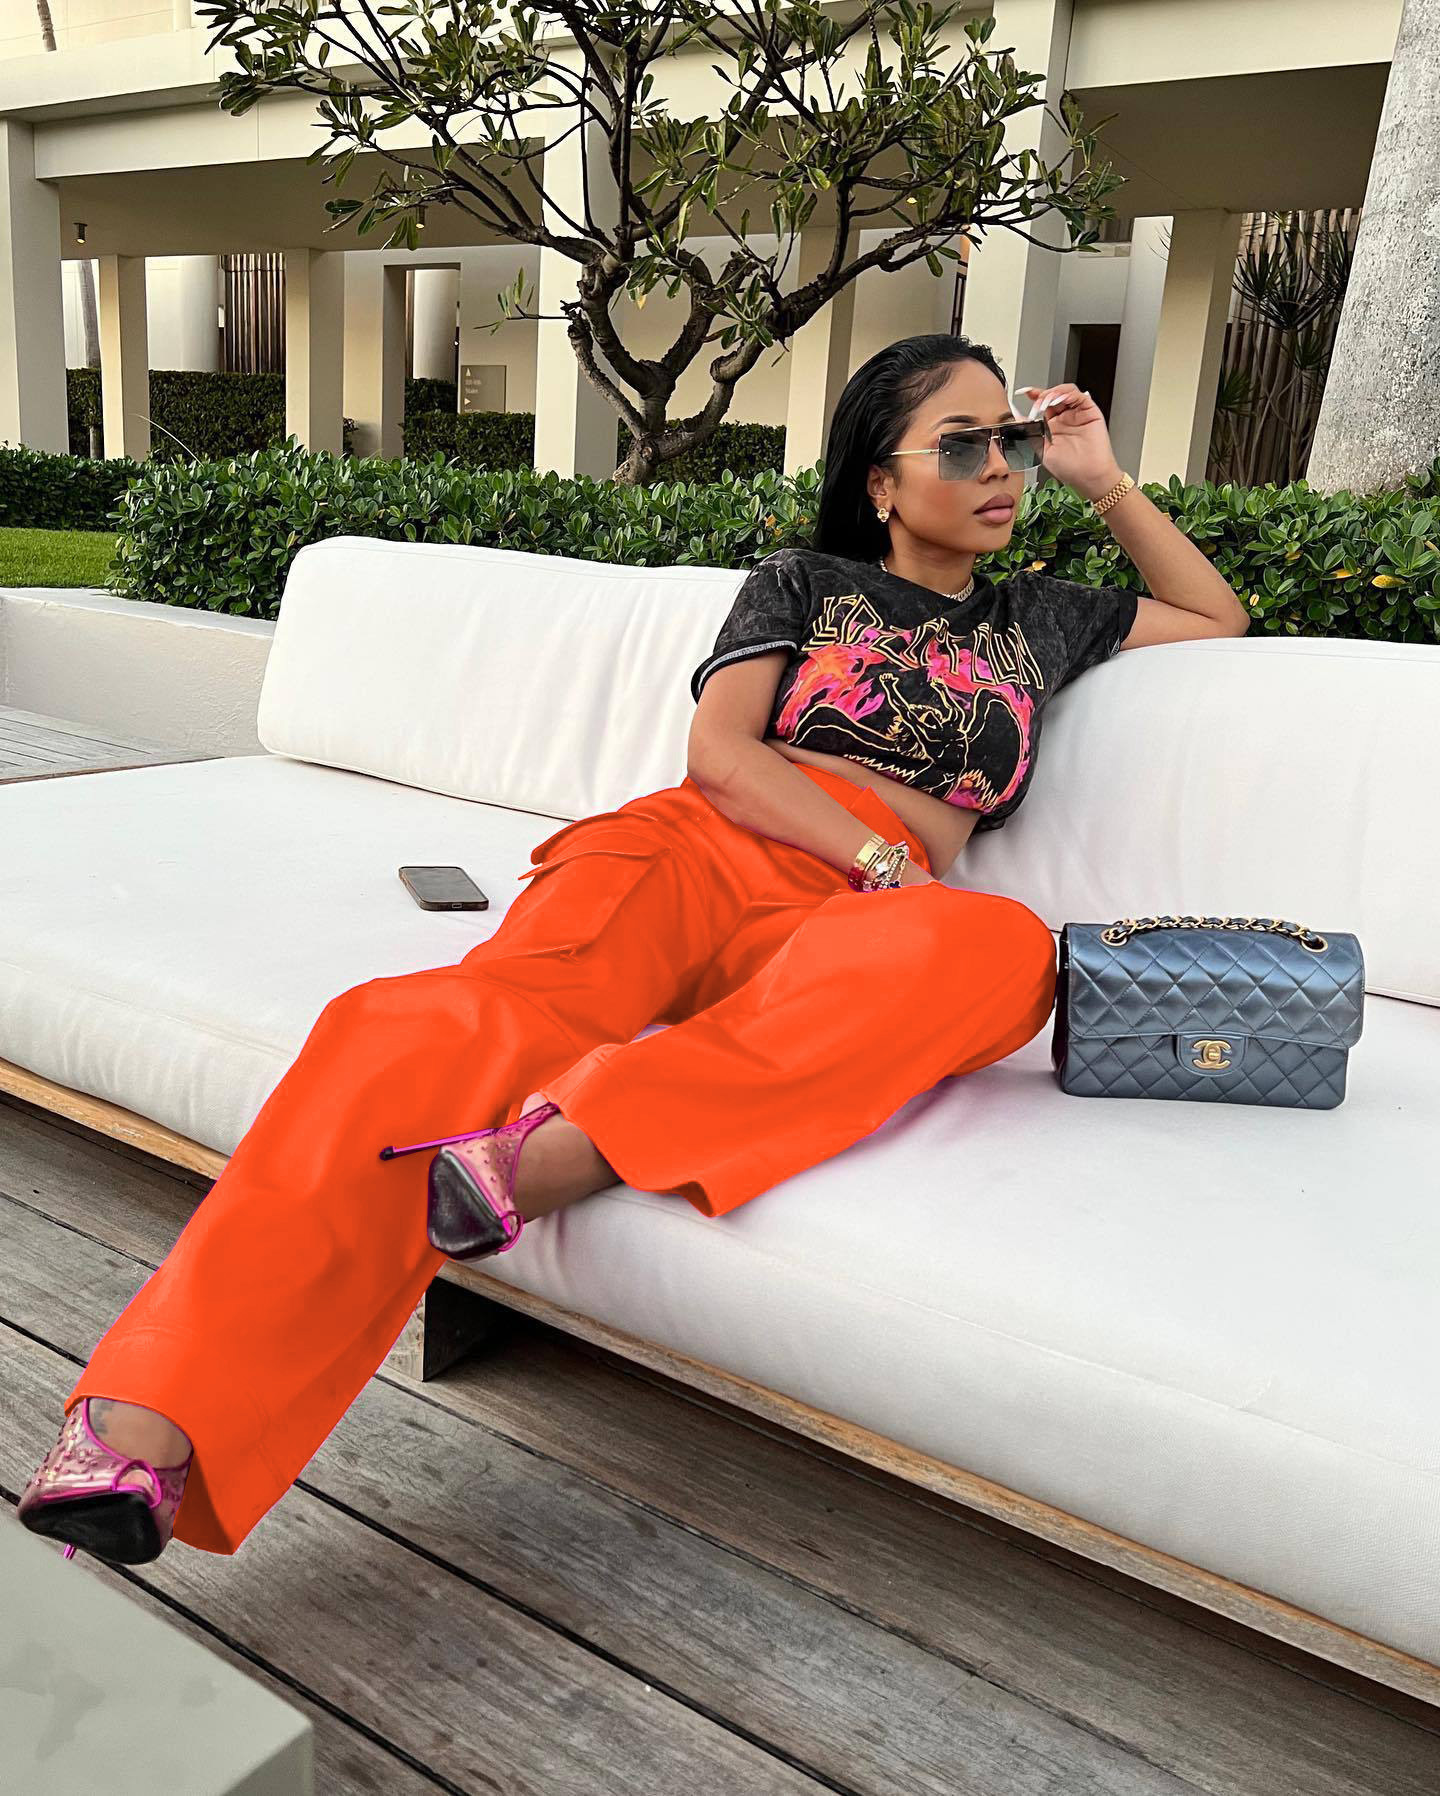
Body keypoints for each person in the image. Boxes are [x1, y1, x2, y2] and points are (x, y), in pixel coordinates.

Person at [17, 333, 1249, 1566]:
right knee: (439, 1022)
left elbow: (1216, 615)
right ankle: (146, 1419)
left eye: (1012, 445)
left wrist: (1101, 478)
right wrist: (878, 854)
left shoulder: (1042, 616)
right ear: (881, 479)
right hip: (697, 851)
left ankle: (561, 1150)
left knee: (1000, 947)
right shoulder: (803, 580)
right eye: (964, 445)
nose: (1000, 471)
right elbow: (724, 754)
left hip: (857, 922)